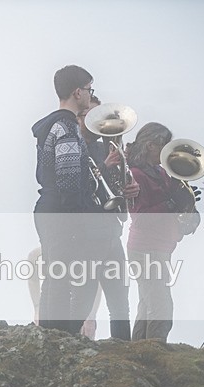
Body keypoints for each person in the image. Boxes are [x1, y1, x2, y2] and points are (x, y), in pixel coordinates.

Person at [32, 66, 137, 337]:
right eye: (90, 90)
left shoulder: (56, 126)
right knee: (62, 282)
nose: (91, 95)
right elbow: (69, 181)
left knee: (57, 280)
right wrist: (80, 219)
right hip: (65, 215)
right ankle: (56, 340)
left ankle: (51, 339)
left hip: (56, 212)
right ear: (78, 92)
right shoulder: (67, 128)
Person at [126, 122, 200, 342]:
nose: (168, 150)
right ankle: (155, 352)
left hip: (159, 248)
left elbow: (172, 204)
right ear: (151, 145)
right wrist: (170, 204)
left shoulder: (161, 172)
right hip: (146, 249)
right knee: (161, 309)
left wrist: (186, 203)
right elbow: (140, 218)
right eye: (164, 145)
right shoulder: (137, 174)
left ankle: (138, 352)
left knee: (147, 306)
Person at [74, 97, 138, 340]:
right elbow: (78, 186)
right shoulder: (77, 147)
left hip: (112, 232)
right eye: (88, 116)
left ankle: (123, 352)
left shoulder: (105, 147)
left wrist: (130, 187)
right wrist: (104, 165)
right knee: (82, 302)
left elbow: (114, 186)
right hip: (87, 236)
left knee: (120, 304)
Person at [26, 245, 101, 339]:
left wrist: (90, 316)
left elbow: (95, 285)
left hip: (80, 309)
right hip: (54, 308)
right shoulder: (41, 253)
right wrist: (37, 309)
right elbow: (33, 259)